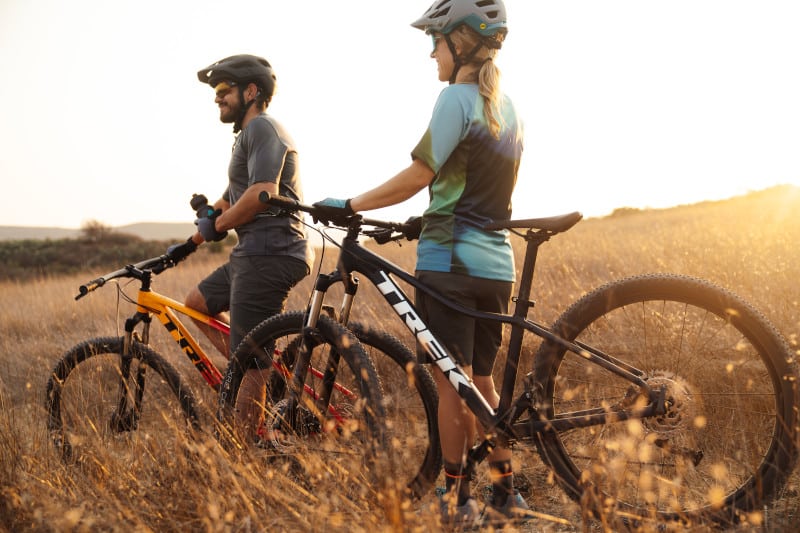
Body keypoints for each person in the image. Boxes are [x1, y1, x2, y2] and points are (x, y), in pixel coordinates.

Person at [311, 0, 528, 527]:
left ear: (461, 42)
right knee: (479, 381)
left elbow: (419, 175)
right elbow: (473, 187)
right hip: (496, 265)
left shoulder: (454, 99)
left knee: (451, 384)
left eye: (436, 40)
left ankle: (457, 500)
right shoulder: (507, 106)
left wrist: (351, 204)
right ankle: (506, 492)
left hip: (449, 261)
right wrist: (424, 217)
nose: (431, 52)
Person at [167, 54, 313, 440]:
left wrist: (218, 224)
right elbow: (229, 200)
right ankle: (261, 370)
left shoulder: (263, 127)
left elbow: (261, 193)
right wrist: (189, 244)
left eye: (223, 89)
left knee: (250, 365)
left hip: (269, 252)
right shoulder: (248, 136)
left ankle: (249, 452)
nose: (217, 97)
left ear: (251, 92)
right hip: (255, 252)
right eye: (216, 91)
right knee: (196, 303)